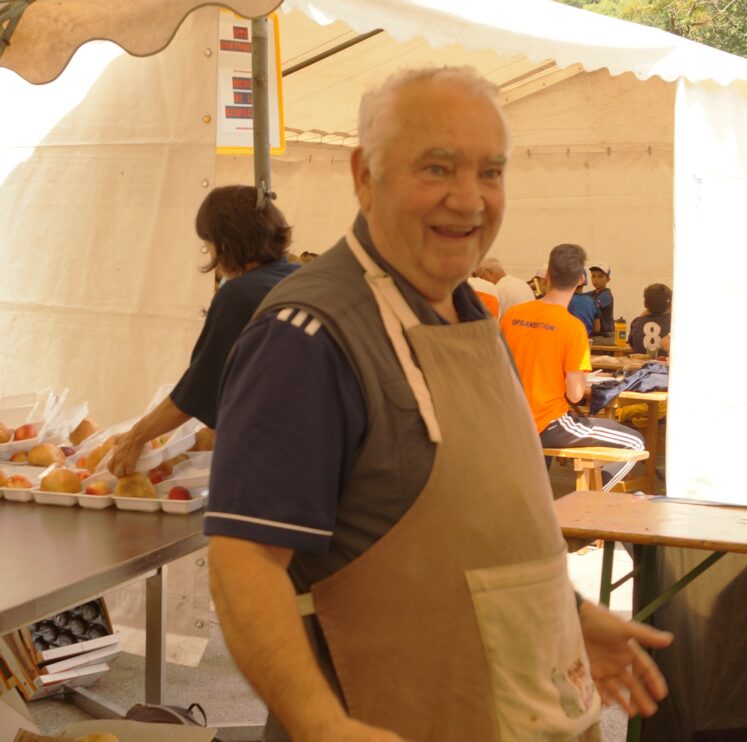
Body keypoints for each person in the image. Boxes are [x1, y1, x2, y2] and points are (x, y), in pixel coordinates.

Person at [205, 68, 672, 742]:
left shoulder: (470, 315)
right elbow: (244, 562)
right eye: (437, 168)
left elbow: (487, 523)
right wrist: (319, 723)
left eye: (491, 171)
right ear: (365, 175)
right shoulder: (308, 336)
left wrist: (568, 614)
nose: (469, 198)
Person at [109, 186, 298, 477]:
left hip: (271, 461)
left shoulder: (240, 295)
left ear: (224, 243)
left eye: (208, 244)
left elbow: (198, 388)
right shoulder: (299, 278)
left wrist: (136, 437)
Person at [501, 243, 645, 491]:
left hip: (509, 421)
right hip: (548, 424)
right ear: (581, 280)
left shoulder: (512, 315)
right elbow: (576, 394)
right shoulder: (572, 328)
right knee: (635, 442)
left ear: (546, 276)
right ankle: (584, 502)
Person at [629, 283, 672, 356]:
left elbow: (632, 344)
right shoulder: (673, 323)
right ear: (670, 304)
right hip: (664, 362)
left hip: (639, 362)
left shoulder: (636, 322)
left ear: (645, 304)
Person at [568, 270, 600, 335]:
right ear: (585, 282)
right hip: (586, 339)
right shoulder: (592, 301)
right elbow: (597, 329)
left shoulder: (565, 300)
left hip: (569, 338)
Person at [587, 262, 614, 338]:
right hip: (596, 335)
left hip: (606, 336)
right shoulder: (591, 294)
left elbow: (592, 307)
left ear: (608, 279)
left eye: (600, 276)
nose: (596, 280)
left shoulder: (606, 295)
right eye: (593, 276)